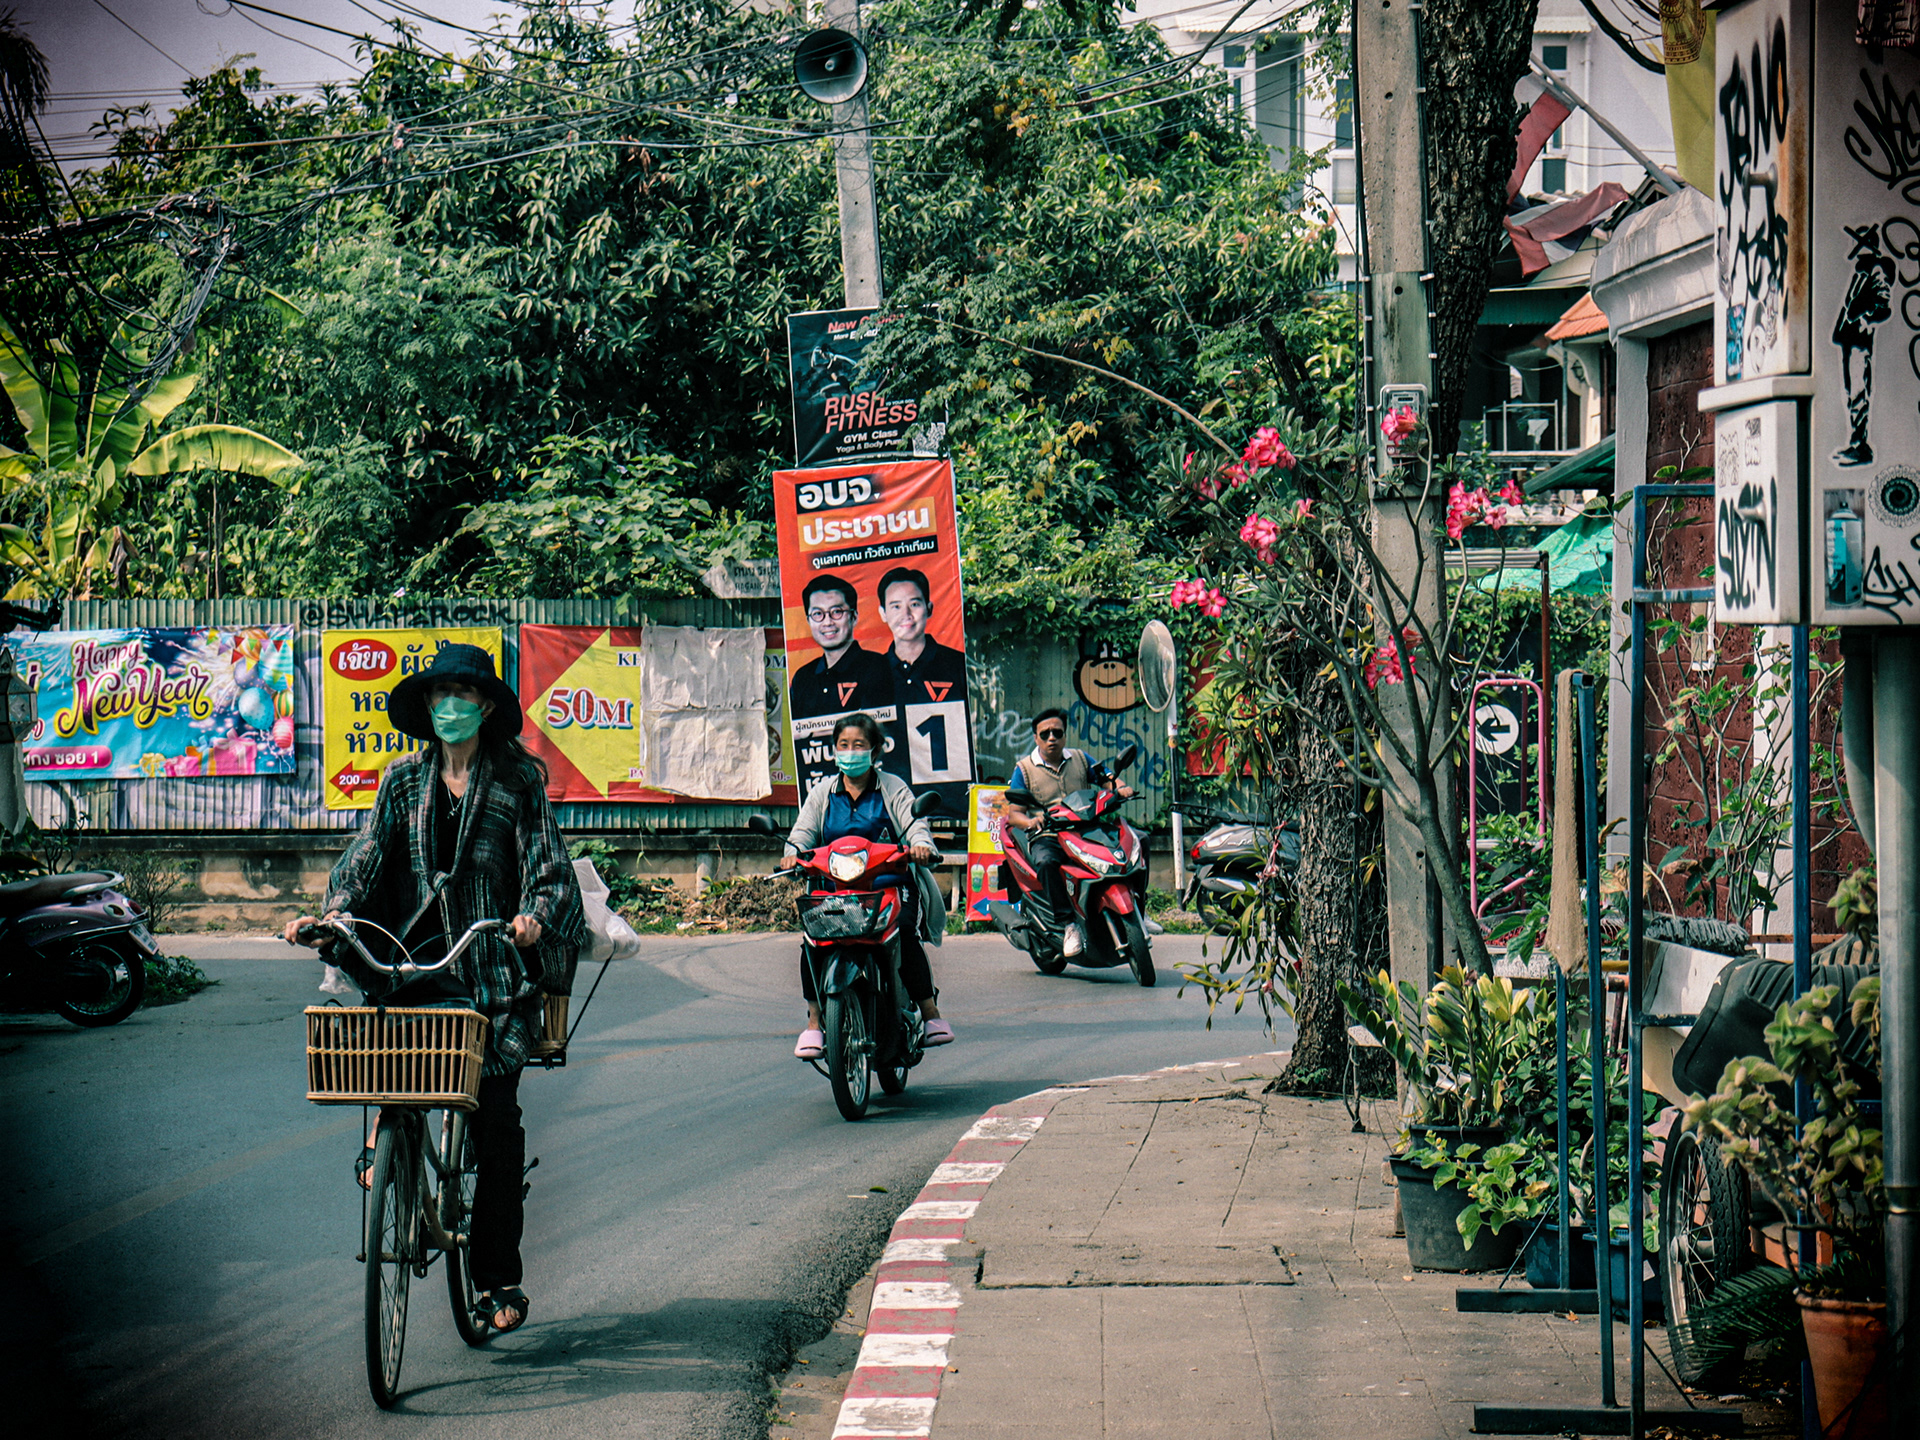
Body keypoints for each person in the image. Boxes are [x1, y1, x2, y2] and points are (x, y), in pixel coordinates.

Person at [285, 643, 584, 1339]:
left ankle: (496, 1279)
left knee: (497, 1123)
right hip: (413, 963)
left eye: (461, 693)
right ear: (426, 707)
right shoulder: (401, 781)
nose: (448, 706)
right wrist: (335, 911)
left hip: (488, 970)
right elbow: (366, 857)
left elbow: (548, 863)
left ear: (483, 705)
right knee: (392, 1055)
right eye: (438, 694)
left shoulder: (517, 781)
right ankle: (384, 1143)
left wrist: (535, 915)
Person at [783, 711, 953, 1056]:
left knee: (903, 931)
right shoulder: (822, 793)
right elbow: (802, 834)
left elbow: (913, 822)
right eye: (843, 745)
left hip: (889, 884)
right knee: (812, 940)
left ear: (875, 750)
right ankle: (815, 1023)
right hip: (835, 888)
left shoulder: (892, 787)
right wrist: (792, 854)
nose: (850, 751)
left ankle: (930, 1013)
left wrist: (921, 846)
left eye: (859, 744)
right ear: (834, 750)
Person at [1000, 708, 1133, 957]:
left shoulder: (1081, 759)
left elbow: (1107, 778)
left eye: (1057, 732)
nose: (1052, 738)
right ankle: (1069, 925)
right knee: (1047, 863)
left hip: (1087, 829)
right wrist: (1031, 822)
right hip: (1048, 835)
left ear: (1064, 735)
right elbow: (1014, 813)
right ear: (1036, 737)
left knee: (1133, 845)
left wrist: (1121, 788)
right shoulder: (1024, 769)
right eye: (1045, 734)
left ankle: (1134, 909)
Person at [788, 573, 892, 721]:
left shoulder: (879, 667)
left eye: (836, 612)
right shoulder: (803, 678)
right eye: (818, 614)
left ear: (854, 617)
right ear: (809, 621)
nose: (827, 622)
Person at [877, 567, 968, 706]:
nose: (906, 614)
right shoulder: (872, 673)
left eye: (914, 604)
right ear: (883, 614)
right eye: (896, 607)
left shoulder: (959, 665)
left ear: (929, 608)